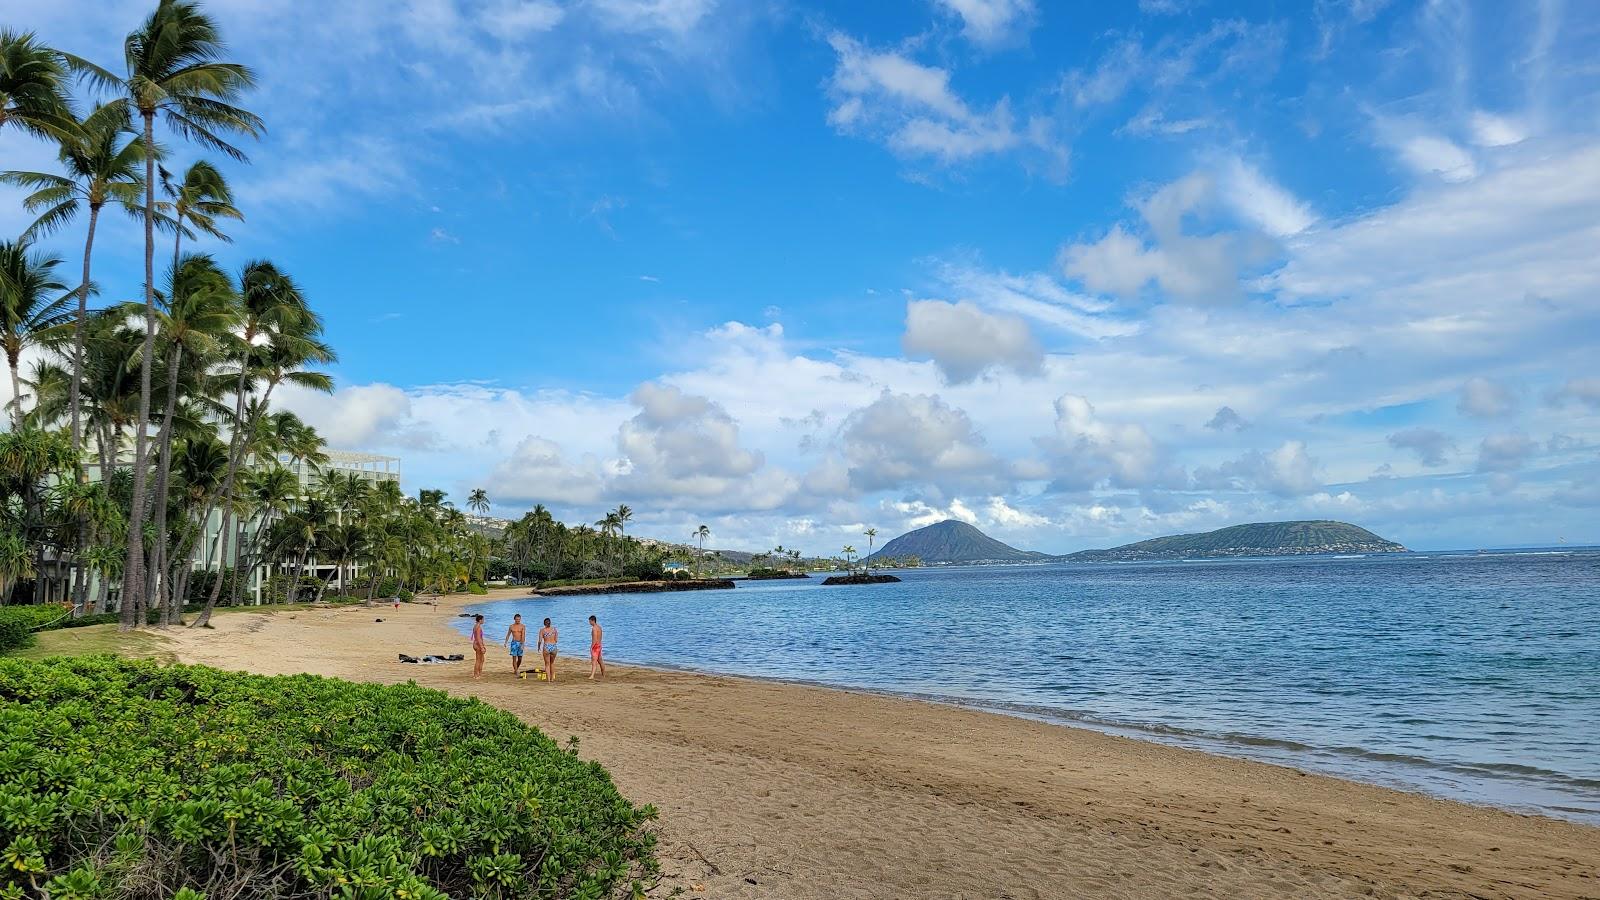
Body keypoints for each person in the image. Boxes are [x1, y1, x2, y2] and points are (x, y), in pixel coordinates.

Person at [538, 617, 559, 682]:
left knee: (547, 664)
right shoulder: (554, 629)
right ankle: (552, 678)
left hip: (546, 646)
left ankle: (549, 680)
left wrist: (538, 647)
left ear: (544, 623)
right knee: (552, 663)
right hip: (553, 646)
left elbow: (540, 641)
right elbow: (556, 640)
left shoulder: (542, 630)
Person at [588, 615, 605, 680]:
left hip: (595, 647)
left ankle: (592, 676)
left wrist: (591, 647)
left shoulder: (594, 628)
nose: (589, 623)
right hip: (599, 645)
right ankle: (603, 675)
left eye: (589, 621)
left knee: (594, 661)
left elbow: (594, 639)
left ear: (593, 621)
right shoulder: (599, 627)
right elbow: (600, 637)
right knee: (600, 661)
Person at [471, 614, 487, 678]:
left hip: (476, 644)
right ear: (480, 620)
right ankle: (476, 675)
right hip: (477, 644)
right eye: (483, 619)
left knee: (482, 659)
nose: (483, 621)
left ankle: (479, 673)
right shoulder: (478, 627)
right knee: (478, 660)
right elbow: (478, 638)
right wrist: (482, 647)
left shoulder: (475, 626)